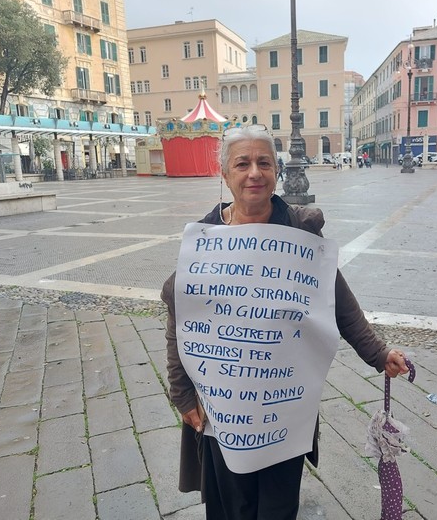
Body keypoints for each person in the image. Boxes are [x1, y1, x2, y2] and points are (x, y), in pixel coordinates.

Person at [160, 124, 411, 520]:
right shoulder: (205, 239)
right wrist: (182, 395)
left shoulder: (299, 232)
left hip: (283, 410)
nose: (254, 173)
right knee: (232, 506)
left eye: (264, 162)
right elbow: (182, 316)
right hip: (224, 409)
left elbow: (340, 303)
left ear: (276, 171)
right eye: (242, 164)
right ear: (225, 174)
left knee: (278, 507)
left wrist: (379, 354)